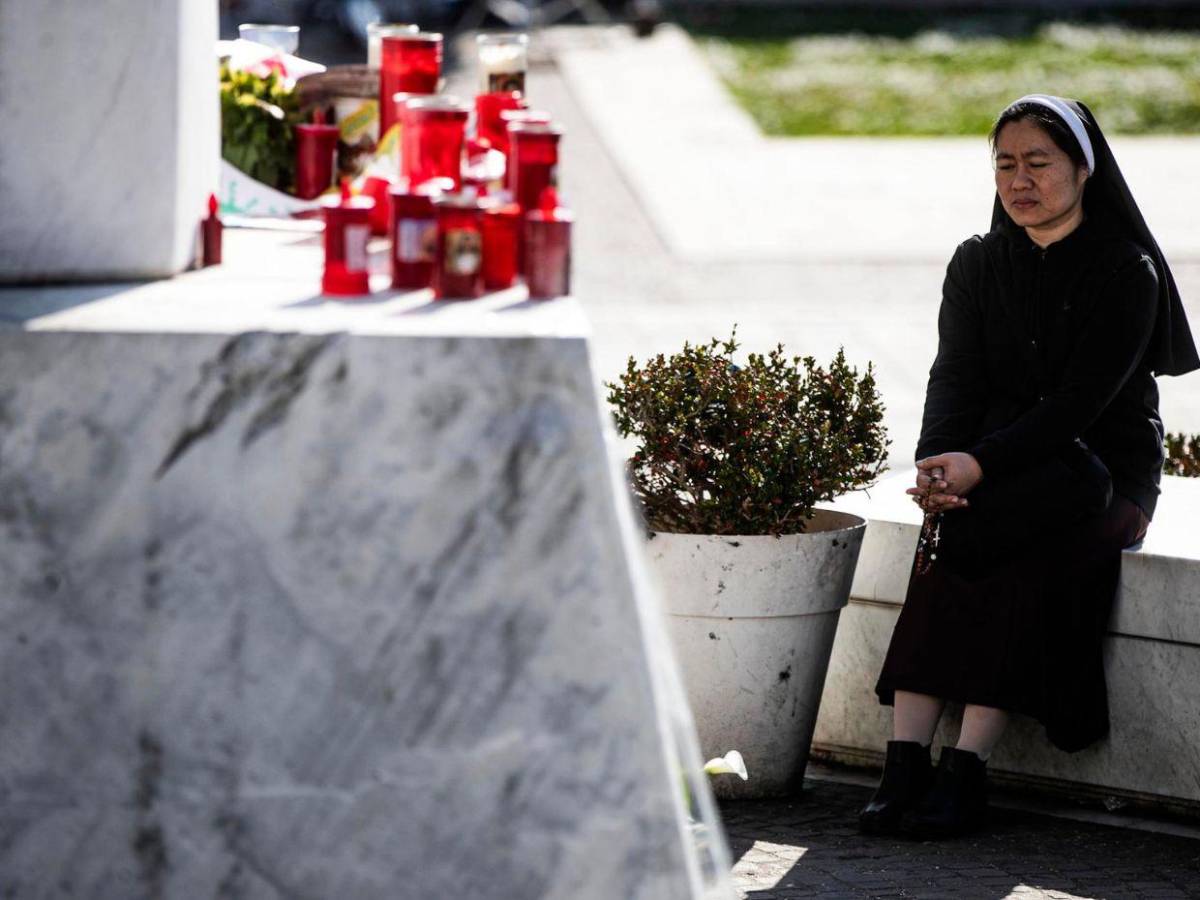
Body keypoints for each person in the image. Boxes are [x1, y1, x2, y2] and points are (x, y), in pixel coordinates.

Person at [858, 94, 1200, 839]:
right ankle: (905, 761)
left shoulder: (1125, 270)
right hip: (999, 457)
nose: (1021, 180)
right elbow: (954, 378)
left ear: (1083, 169)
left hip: (1102, 471)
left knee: (1025, 549)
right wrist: (938, 466)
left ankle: (966, 771)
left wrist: (979, 464)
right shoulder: (979, 262)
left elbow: (1077, 408)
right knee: (943, 541)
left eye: (1039, 162)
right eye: (1006, 164)